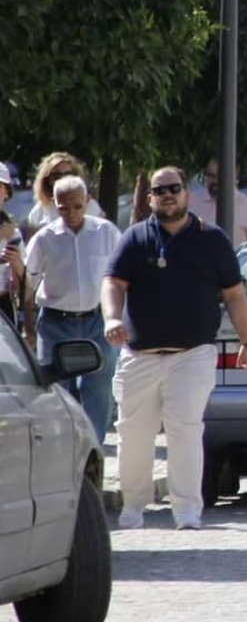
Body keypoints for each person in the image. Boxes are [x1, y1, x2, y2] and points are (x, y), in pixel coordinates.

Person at [102, 166, 247, 529]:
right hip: (139, 355)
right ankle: (133, 506)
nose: (168, 194)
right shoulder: (134, 238)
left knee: (186, 430)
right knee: (133, 435)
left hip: (193, 354)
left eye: (174, 188)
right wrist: (112, 318)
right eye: (160, 190)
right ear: (150, 198)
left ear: (187, 194)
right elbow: (113, 282)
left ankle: (187, 510)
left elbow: (235, 295)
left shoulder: (212, 239)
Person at [22, 175, 121, 440]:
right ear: (54, 204)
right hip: (56, 323)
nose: (71, 213)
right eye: (63, 207)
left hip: (96, 320)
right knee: (55, 392)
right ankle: (60, 449)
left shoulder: (106, 232)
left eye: (77, 206)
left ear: (87, 201)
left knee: (98, 390)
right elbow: (28, 285)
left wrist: (120, 317)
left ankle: (93, 451)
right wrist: (29, 326)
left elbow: (122, 276)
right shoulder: (44, 239)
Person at [188, 158, 247, 245]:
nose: (215, 181)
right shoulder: (192, 202)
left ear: (235, 179)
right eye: (211, 176)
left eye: (221, 176)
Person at [25, 153, 105, 236]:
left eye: (68, 174)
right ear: (47, 180)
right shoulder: (38, 212)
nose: (63, 179)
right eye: (56, 176)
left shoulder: (91, 206)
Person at [0, 164, 25, 331]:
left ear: (7, 193)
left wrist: (18, 267)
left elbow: (26, 290)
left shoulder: (12, 232)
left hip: (4, 310)